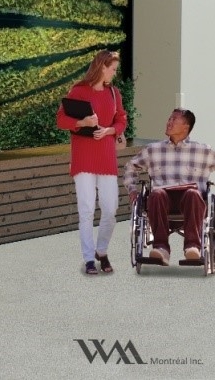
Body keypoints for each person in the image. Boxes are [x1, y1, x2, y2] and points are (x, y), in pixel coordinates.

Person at [56, 50, 127, 275]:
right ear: (102, 67)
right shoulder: (78, 90)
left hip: (106, 157)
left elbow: (121, 119)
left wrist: (109, 131)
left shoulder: (114, 93)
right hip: (83, 157)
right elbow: (61, 120)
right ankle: (89, 258)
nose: (114, 73)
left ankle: (101, 250)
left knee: (110, 209)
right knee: (86, 209)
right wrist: (82, 122)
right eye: (112, 69)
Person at [123, 108, 215, 265]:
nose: (169, 122)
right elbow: (130, 167)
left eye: (174, 119)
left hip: (192, 204)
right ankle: (161, 248)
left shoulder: (203, 151)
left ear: (186, 126)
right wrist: (132, 190)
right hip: (161, 202)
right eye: (169, 119)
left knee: (192, 193)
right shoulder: (153, 150)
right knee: (156, 194)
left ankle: (193, 246)